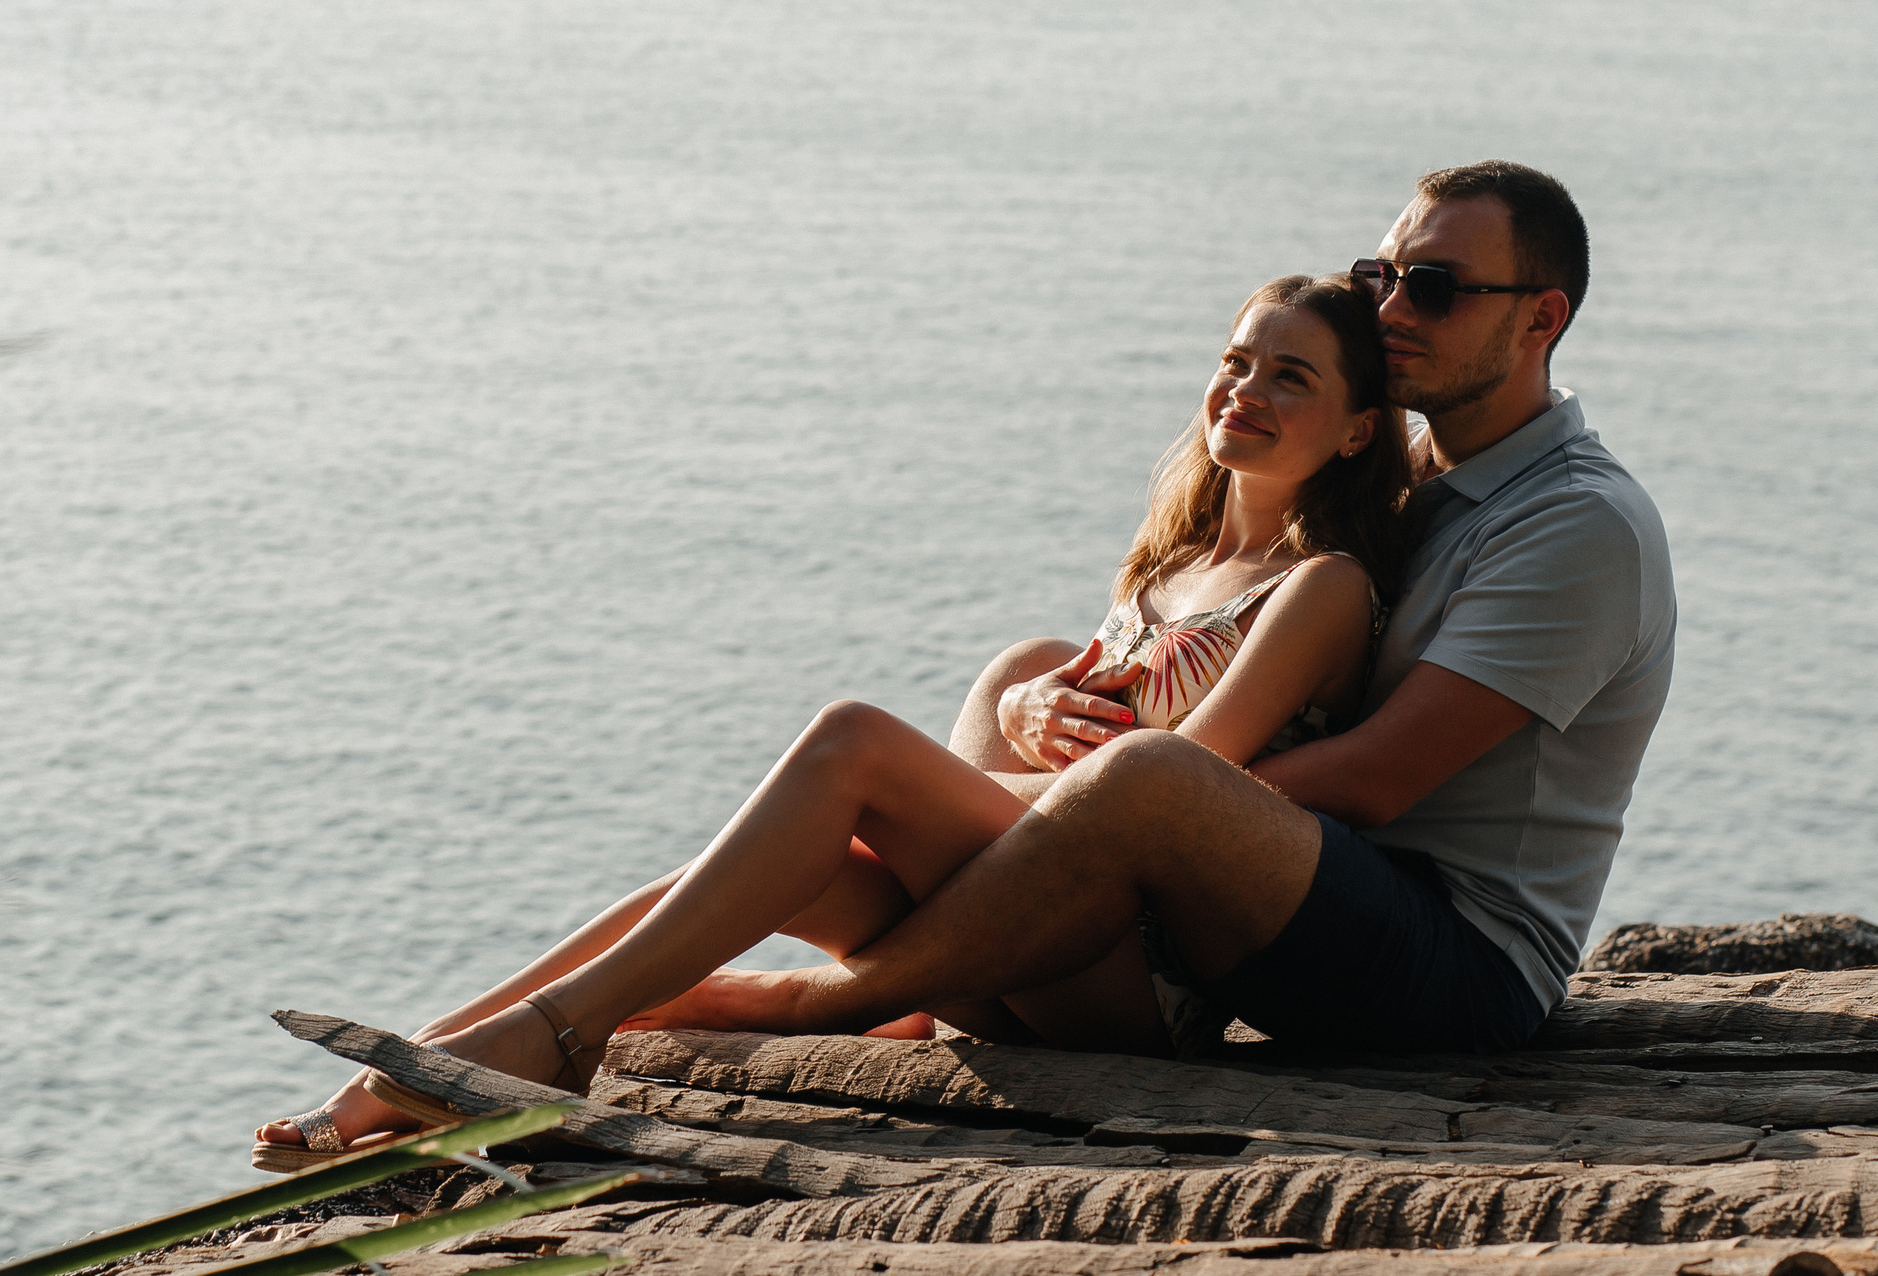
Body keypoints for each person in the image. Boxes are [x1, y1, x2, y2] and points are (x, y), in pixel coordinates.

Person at [254, 266, 1413, 1170]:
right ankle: (423, 1060)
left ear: (1358, 429)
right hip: (1020, 946)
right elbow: (1063, 761)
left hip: (1138, 980)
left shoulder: (1320, 585)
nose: (1244, 391)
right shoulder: (1168, 571)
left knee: (853, 745)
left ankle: (538, 1041)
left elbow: (1177, 786)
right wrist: (1023, 704)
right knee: (738, 883)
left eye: (1289, 378)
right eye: (1235, 361)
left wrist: (934, 782)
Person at [622, 160, 1674, 1065]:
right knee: (1006, 686)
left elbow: (1372, 779)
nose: (1391, 310)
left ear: (1541, 318)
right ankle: (533, 1017)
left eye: (1433, 287)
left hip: (1457, 966)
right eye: (1380, 275)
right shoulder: (1404, 481)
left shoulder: (1577, 523)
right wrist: (1044, 720)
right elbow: (1205, 663)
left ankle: (818, 1000)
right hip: (1291, 898)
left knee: (1107, 776)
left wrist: (1099, 807)